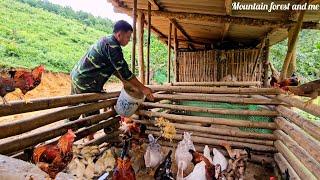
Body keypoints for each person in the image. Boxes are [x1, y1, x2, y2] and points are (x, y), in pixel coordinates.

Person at [69, 20, 154, 140]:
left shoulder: (108, 41)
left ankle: (71, 136)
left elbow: (115, 69)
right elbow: (125, 72)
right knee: (90, 112)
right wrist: (143, 88)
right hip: (86, 81)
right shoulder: (113, 46)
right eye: (128, 37)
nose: (128, 40)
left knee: (75, 107)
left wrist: (124, 82)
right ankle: (86, 141)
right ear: (119, 34)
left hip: (78, 75)